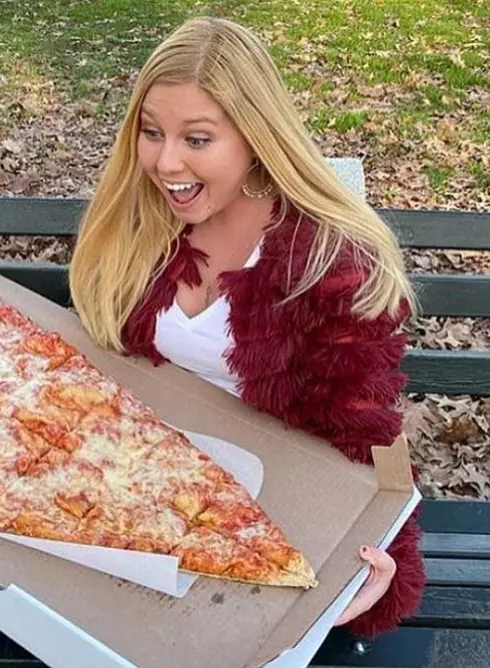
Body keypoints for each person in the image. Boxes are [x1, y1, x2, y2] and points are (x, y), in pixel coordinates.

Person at [67, 16, 425, 640]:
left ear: (256, 138)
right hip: (134, 501)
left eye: (197, 139)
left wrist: (381, 563)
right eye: (151, 132)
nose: (165, 160)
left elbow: (359, 436)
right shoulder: (139, 226)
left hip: (265, 521)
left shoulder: (325, 267)